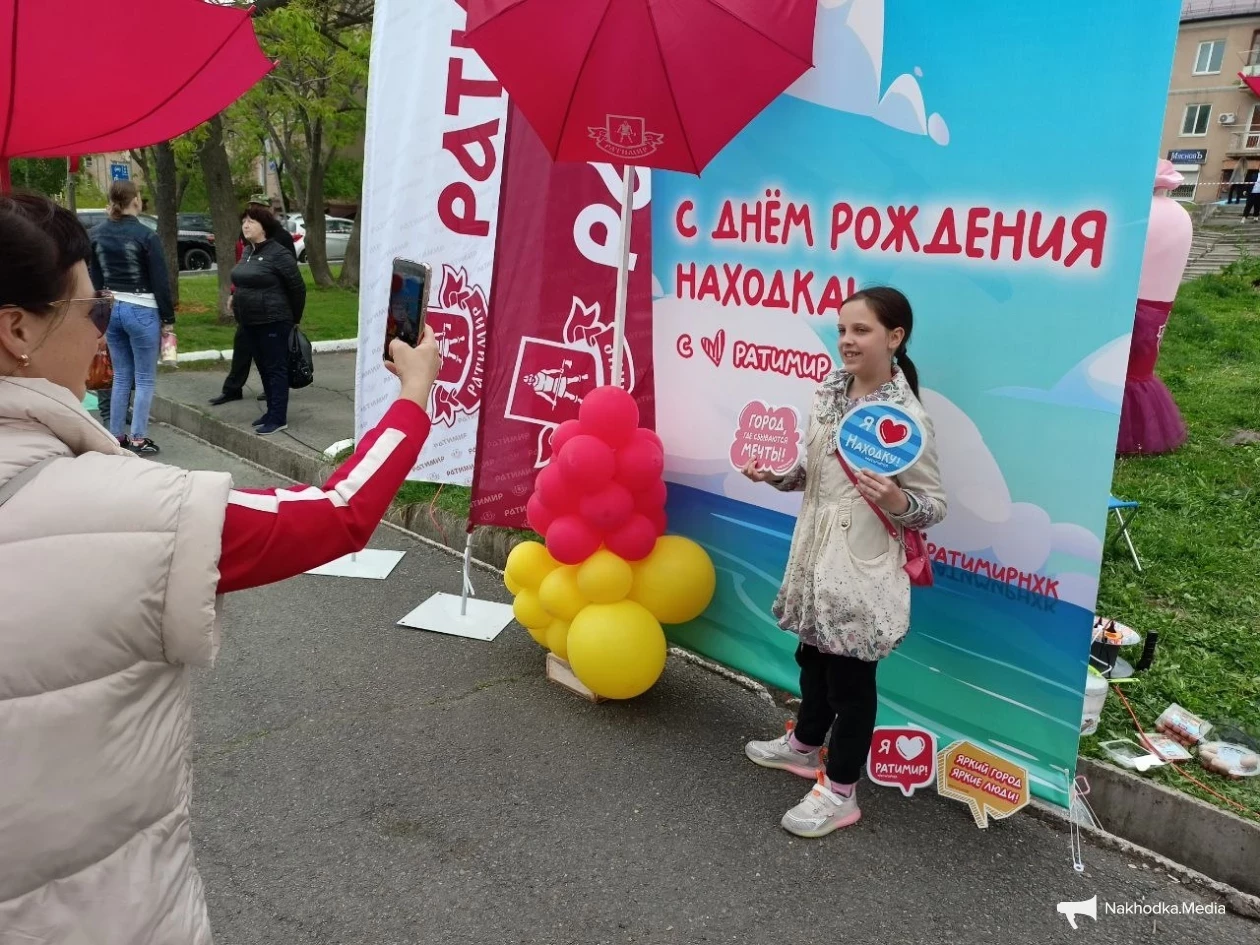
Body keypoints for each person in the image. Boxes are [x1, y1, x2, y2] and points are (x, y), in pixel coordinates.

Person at [0, 192, 442, 942]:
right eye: (92, 308)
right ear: (18, 329)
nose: (103, 330)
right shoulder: (137, 511)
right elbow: (340, 510)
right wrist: (414, 397)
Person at [741, 287, 947, 838]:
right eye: (842, 330)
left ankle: (840, 791)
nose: (847, 341)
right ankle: (805, 744)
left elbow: (933, 506)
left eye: (861, 330)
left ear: (895, 337)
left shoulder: (906, 418)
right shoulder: (829, 391)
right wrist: (777, 474)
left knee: (851, 683)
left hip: (861, 567)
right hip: (814, 554)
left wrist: (898, 501)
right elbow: (813, 474)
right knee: (812, 657)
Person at [88, 179, 174, 455]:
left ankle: (116, 436)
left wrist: (98, 316)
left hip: (112, 309)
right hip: (143, 308)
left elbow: (95, 278)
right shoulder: (147, 235)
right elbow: (160, 281)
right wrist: (168, 319)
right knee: (145, 378)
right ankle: (138, 438)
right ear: (135, 199)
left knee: (121, 376)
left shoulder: (96, 234)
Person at [210, 197, 295, 407]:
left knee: (271, 354)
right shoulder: (246, 240)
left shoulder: (281, 238)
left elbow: (291, 276)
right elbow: (242, 268)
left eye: (257, 211)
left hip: (271, 308)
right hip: (248, 306)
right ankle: (233, 388)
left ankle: (274, 392)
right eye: (249, 211)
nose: (250, 218)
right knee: (242, 345)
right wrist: (234, 293)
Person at [230, 205, 305, 435]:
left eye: (251, 221)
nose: (245, 225)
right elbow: (242, 279)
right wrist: (234, 297)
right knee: (263, 367)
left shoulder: (278, 253)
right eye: (244, 221)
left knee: (275, 368)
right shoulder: (248, 251)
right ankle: (271, 411)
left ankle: (278, 417)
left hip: (273, 320)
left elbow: (297, 288)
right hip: (249, 320)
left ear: (264, 227)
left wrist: (294, 319)